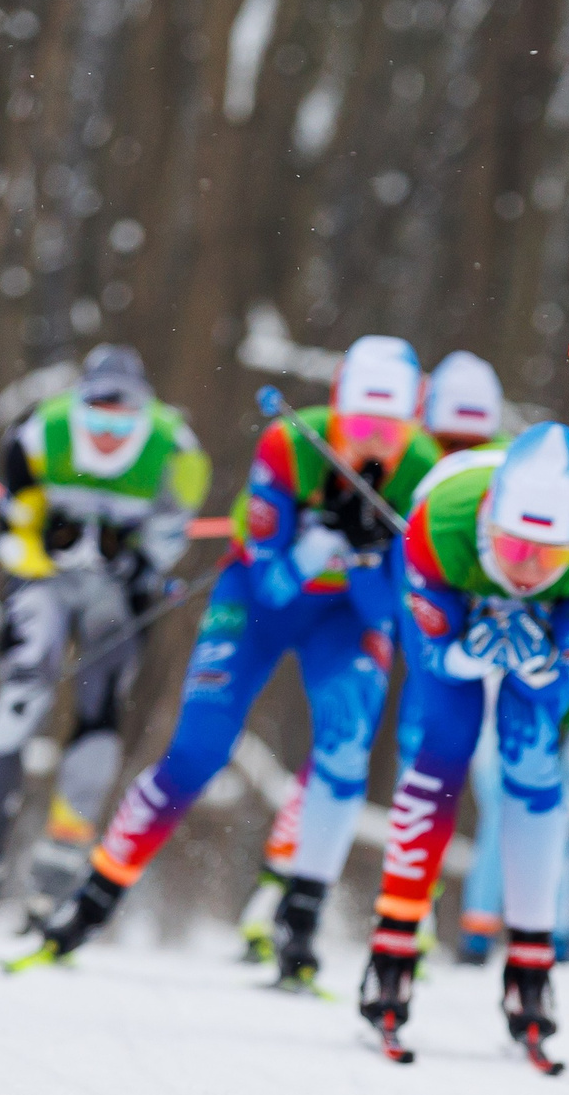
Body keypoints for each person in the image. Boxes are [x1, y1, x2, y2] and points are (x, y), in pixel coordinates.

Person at [22, 337, 442, 979]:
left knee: (345, 747)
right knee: (197, 751)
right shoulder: (289, 445)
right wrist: (318, 542)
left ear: (413, 423)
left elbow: (389, 611)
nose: (373, 445)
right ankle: (91, 901)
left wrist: (361, 559)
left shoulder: (424, 473)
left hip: (344, 616)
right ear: (336, 410)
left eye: (392, 430)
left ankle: (299, 924)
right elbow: (272, 581)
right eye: (360, 425)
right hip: (257, 599)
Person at [357, 422, 569, 1058]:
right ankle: (391, 952)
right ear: (489, 520)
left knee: (532, 763)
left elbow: (563, 670)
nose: (527, 568)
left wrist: (538, 663)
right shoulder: (439, 526)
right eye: (513, 546)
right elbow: (429, 658)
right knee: (442, 750)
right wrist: (468, 655)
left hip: (541, 618)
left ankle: (531, 970)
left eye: (547, 555)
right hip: (447, 584)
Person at [236, 348, 510, 963]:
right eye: (444, 439)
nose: (454, 457)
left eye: (473, 444)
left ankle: (412, 912)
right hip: (398, 614)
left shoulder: (484, 481)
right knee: (345, 738)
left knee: (427, 758)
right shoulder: (402, 464)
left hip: (441, 628)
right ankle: (277, 890)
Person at [0, 347, 206, 929]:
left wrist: (130, 561)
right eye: (98, 418)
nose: (108, 433)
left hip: (117, 593)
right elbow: (13, 524)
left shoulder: (175, 448)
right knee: (23, 691)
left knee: (99, 707)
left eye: (122, 420)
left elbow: (170, 532)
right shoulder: (40, 432)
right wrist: (48, 548)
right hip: (46, 583)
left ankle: (54, 878)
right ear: (78, 409)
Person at [456, 678, 569, 963]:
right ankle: (478, 931)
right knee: (498, 815)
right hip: (505, 713)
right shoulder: (493, 683)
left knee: (557, 820)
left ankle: (557, 934)